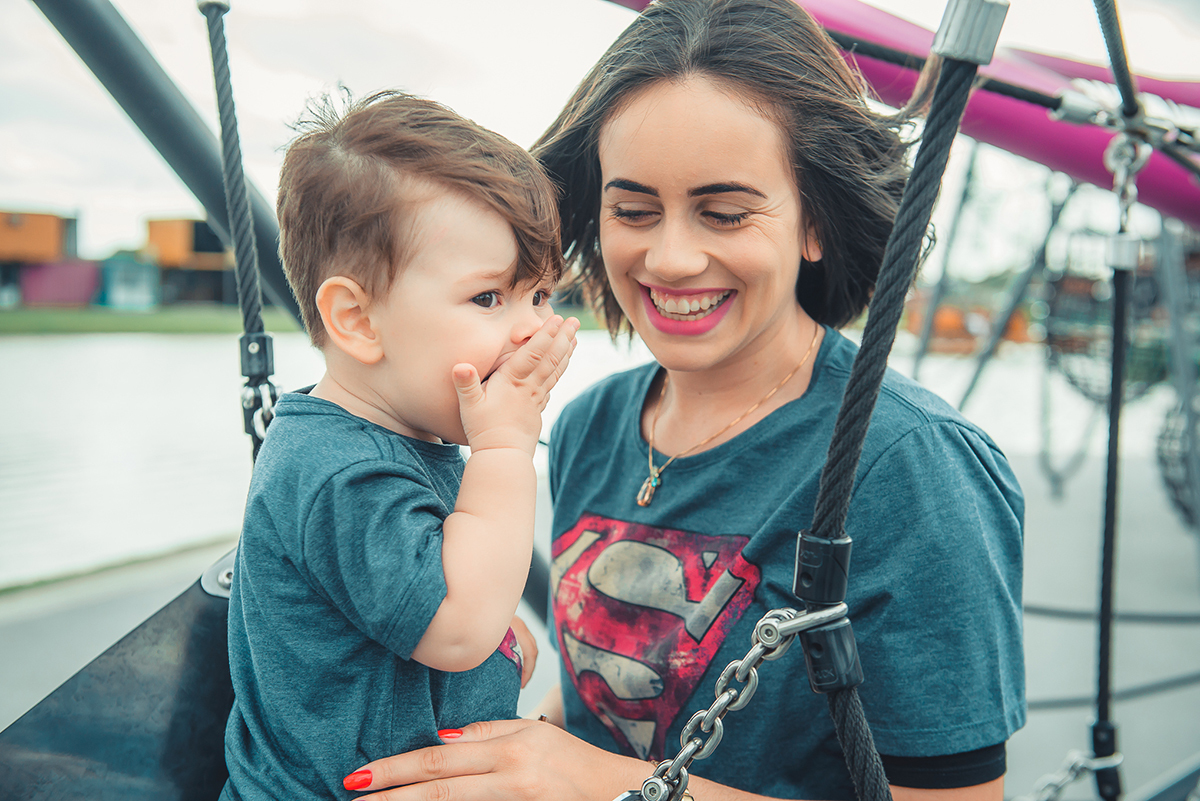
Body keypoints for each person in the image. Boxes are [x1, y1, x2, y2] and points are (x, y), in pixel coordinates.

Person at [341, 1, 1024, 800]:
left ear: (814, 220)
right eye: (632, 210)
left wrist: (590, 782)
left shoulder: (915, 466)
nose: (669, 256)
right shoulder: (590, 422)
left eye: (724, 212)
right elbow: (607, 720)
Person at [219, 90, 580, 801]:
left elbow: (419, 580)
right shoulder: (339, 471)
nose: (532, 330)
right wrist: (506, 447)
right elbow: (455, 626)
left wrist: (495, 631)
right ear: (357, 320)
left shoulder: (402, 435)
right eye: (489, 298)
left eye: (540, 296)